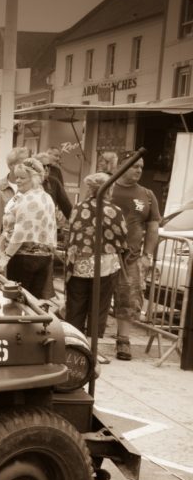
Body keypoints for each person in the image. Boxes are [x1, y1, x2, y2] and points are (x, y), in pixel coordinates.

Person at [65, 172, 128, 345]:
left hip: (79, 264)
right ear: (109, 189)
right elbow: (122, 237)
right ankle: (93, 348)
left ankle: (73, 345)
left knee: (76, 305)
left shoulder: (78, 207)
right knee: (99, 308)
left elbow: (72, 232)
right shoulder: (115, 211)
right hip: (105, 266)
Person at [109, 152, 160, 361]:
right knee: (97, 295)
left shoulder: (147, 194)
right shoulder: (107, 188)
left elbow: (153, 226)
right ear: (121, 166)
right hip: (105, 254)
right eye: (134, 166)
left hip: (132, 257)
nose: (139, 170)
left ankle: (123, 340)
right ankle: (88, 337)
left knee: (129, 298)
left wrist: (147, 254)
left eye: (141, 166)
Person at [0, 157, 57, 297]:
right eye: (16, 177)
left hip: (24, 258)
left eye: (22, 178)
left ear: (34, 178)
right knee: (34, 301)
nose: (17, 181)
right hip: (43, 258)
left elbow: (21, 232)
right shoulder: (45, 197)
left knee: (18, 300)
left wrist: (5, 257)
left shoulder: (28, 199)